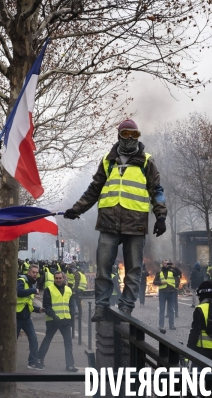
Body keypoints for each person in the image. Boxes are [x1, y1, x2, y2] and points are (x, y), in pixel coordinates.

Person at [63, 119, 167, 321]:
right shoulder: (107, 161)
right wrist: (77, 209)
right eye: (126, 134)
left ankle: (126, 307)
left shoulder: (147, 161)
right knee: (103, 268)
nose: (130, 138)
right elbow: (93, 190)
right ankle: (101, 307)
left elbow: (157, 191)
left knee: (134, 270)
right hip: (108, 223)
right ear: (119, 135)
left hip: (135, 224)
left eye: (134, 135)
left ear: (138, 136)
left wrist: (161, 216)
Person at [36, 271, 78, 372]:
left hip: (65, 320)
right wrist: (54, 316)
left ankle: (70, 365)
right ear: (54, 279)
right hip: (52, 320)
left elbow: (71, 306)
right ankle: (39, 360)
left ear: (63, 278)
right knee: (47, 340)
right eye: (56, 278)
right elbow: (46, 306)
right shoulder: (48, 289)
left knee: (68, 343)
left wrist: (72, 320)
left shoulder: (68, 289)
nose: (58, 280)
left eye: (60, 278)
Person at [186, 280, 212, 366]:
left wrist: (187, 354)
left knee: (197, 376)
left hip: (203, 349)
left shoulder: (200, 308)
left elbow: (195, 333)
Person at [16, 264, 44, 369]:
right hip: (17, 315)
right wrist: (33, 291)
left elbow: (29, 303)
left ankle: (32, 362)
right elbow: (19, 293)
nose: (35, 274)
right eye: (33, 272)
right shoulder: (21, 280)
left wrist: (38, 309)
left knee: (33, 339)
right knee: (12, 340)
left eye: (37, 272)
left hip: (26, 317)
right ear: (28, 272)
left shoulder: (32, 284)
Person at [153, 261, 178, 332]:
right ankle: (161, 325)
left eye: (167, 263)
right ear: (162, 264)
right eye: (165, 263)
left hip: (171, 293)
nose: (166, 264)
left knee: (171, 309)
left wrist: (174, 267)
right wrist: (161, 282)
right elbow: (154, 282)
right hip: (163, 293)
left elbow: (179, 275)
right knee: (162, 309)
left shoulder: (173, 271)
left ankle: (171, 325)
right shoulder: (159, 272)